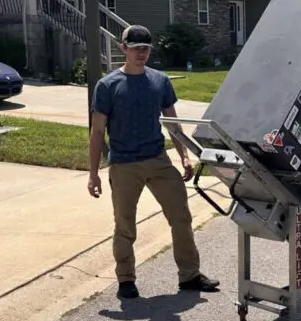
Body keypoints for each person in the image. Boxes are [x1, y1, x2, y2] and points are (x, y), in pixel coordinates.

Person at [87, 25, 219, 300]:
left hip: (158, 160)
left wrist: (184, 155)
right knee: (125, 224)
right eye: (135, 48)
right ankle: (126, 280)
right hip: (124, 164)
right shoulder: (108, 86)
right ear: (123, 48)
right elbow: (97, 131)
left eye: (145, 49)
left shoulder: (159, 81)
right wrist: (93, 173)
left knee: (181, 217)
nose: (141, 53)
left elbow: (172, 124)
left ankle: (190, 275)